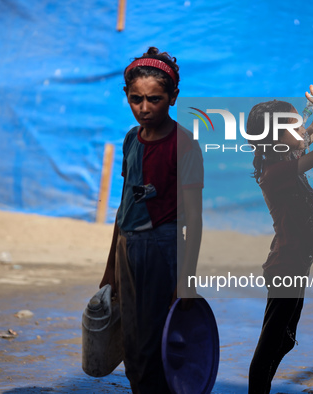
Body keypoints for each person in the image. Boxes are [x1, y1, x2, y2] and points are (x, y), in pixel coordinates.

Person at [99, 47, 203, 394]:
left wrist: (186, 278)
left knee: (157, 340)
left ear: (173, 97)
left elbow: (195, 218)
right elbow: (124, 203)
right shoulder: (131, 139)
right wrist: (111, 265)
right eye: (136, 99)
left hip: (164, 249)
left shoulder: (184, 144)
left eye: (155, 99)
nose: (144, 108)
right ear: (126, 97)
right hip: (129, 250)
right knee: (131, 339)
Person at [245, 83, 313, 394]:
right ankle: (258, 390)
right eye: (294, 125)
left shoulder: (284, 155)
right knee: (272, 341)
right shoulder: (277, 171)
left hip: (295, 263)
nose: (302, 129)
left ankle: (262, 386)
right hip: (286, 266)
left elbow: (310, 134)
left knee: (284, 338)